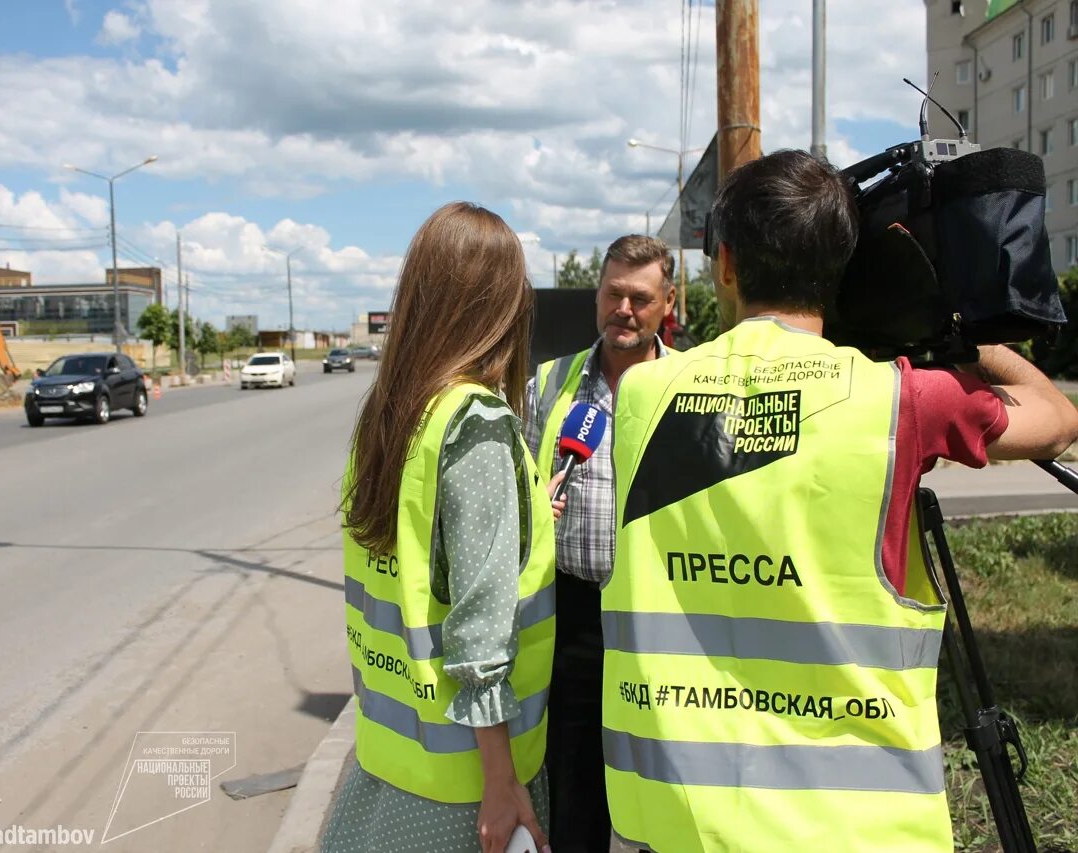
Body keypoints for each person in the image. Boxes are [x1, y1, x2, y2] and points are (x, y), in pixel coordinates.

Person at [601, 149, 1078, 852]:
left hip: (679, 818)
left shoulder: (641, 395)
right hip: (853, 828)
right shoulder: (902, 397)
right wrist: (948, 326)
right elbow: (1058, 419)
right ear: (841, 266)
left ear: (726, 265)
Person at [323, 201, 556, 853]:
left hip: (388, 767)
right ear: (500, 304)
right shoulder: (476, 423)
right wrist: (502, 782)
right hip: (467, 786)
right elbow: (480, 635)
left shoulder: (392, 416)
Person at [524, 235, 676, 853]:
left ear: (667, 303)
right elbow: (520, 493)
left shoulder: (694, 386)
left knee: (667, 793)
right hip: (574, 619)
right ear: (598, 295)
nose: (624, 309)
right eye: (613, 293)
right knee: (576, 795)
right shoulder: (547, 384)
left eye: (640, 298)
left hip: (665, 620)